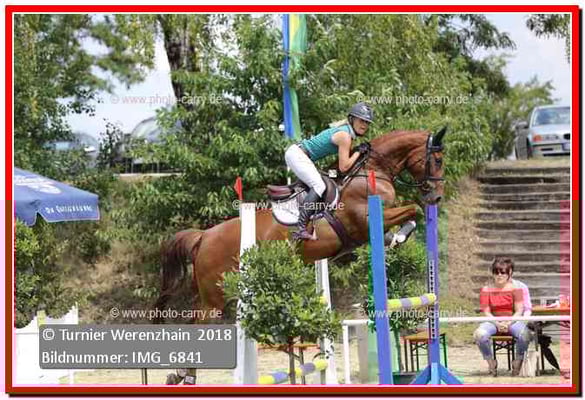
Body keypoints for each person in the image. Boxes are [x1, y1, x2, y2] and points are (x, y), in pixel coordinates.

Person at [284, 102, 374, 240]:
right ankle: (300, 228)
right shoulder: (345, 136)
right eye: (361, 120)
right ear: (352, 119)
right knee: (319, 185)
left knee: (324, 179)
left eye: (367, 122)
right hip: (297, 155)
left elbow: (340, 170)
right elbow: (344, 167)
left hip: (300, 155)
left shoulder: (346, 133)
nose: (364, 125)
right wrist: (358, 152)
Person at [473, 257, 532, 377]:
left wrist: (508, 323)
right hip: (493, 321)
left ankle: (518, 361)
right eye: (496, 272)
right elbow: (487, 312)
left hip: (512, 320)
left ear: (509, 273)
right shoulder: (486, 289)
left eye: (502, 272)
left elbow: (519, 310)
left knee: (525, 334)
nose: (499, 275)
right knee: (479, 334)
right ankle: (490, 361)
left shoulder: (517, 289)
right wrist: (497, 323)